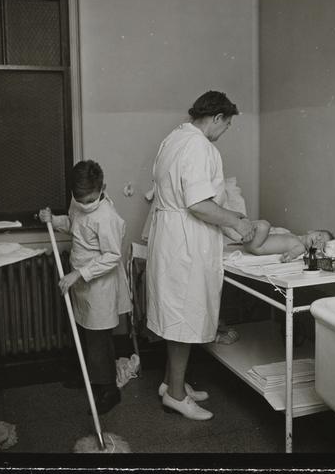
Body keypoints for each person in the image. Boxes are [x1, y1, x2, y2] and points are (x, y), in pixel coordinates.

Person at [146, 90, 255, 421]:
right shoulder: (199, 146)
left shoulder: (174, 138)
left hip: (169, 237)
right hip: (186, 243)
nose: (225, 132)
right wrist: (238, 220)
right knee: (184, 318)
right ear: (218, 117)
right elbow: (199, 204)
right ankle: (177, 396)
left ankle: (170, 383)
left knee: (177, 314)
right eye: (227, 125)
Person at [38, 160, 132, 414]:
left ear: (103, 189)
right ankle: (89, 377)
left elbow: (112, 256)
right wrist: (54, 220)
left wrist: (78, 274)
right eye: (80, 201)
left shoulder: (107, 217)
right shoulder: (78, 202)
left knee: (99, 338)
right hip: (80, 280)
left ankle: (109, 390)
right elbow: (74, 224)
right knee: (82, 330)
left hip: (99, 283)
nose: (85, 205)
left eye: (90, 201)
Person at [244, 220, 334, 262]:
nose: (318, 240)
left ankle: (240, 228)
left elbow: (293, 253)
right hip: (253, 241)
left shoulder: (301, 247)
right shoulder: (292, 235)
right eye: (319, 235)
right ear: (311, 231)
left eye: (322, 243)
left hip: (258, 246)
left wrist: (289, 256)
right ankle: (241, 230)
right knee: (261, 227)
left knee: (264, 225)